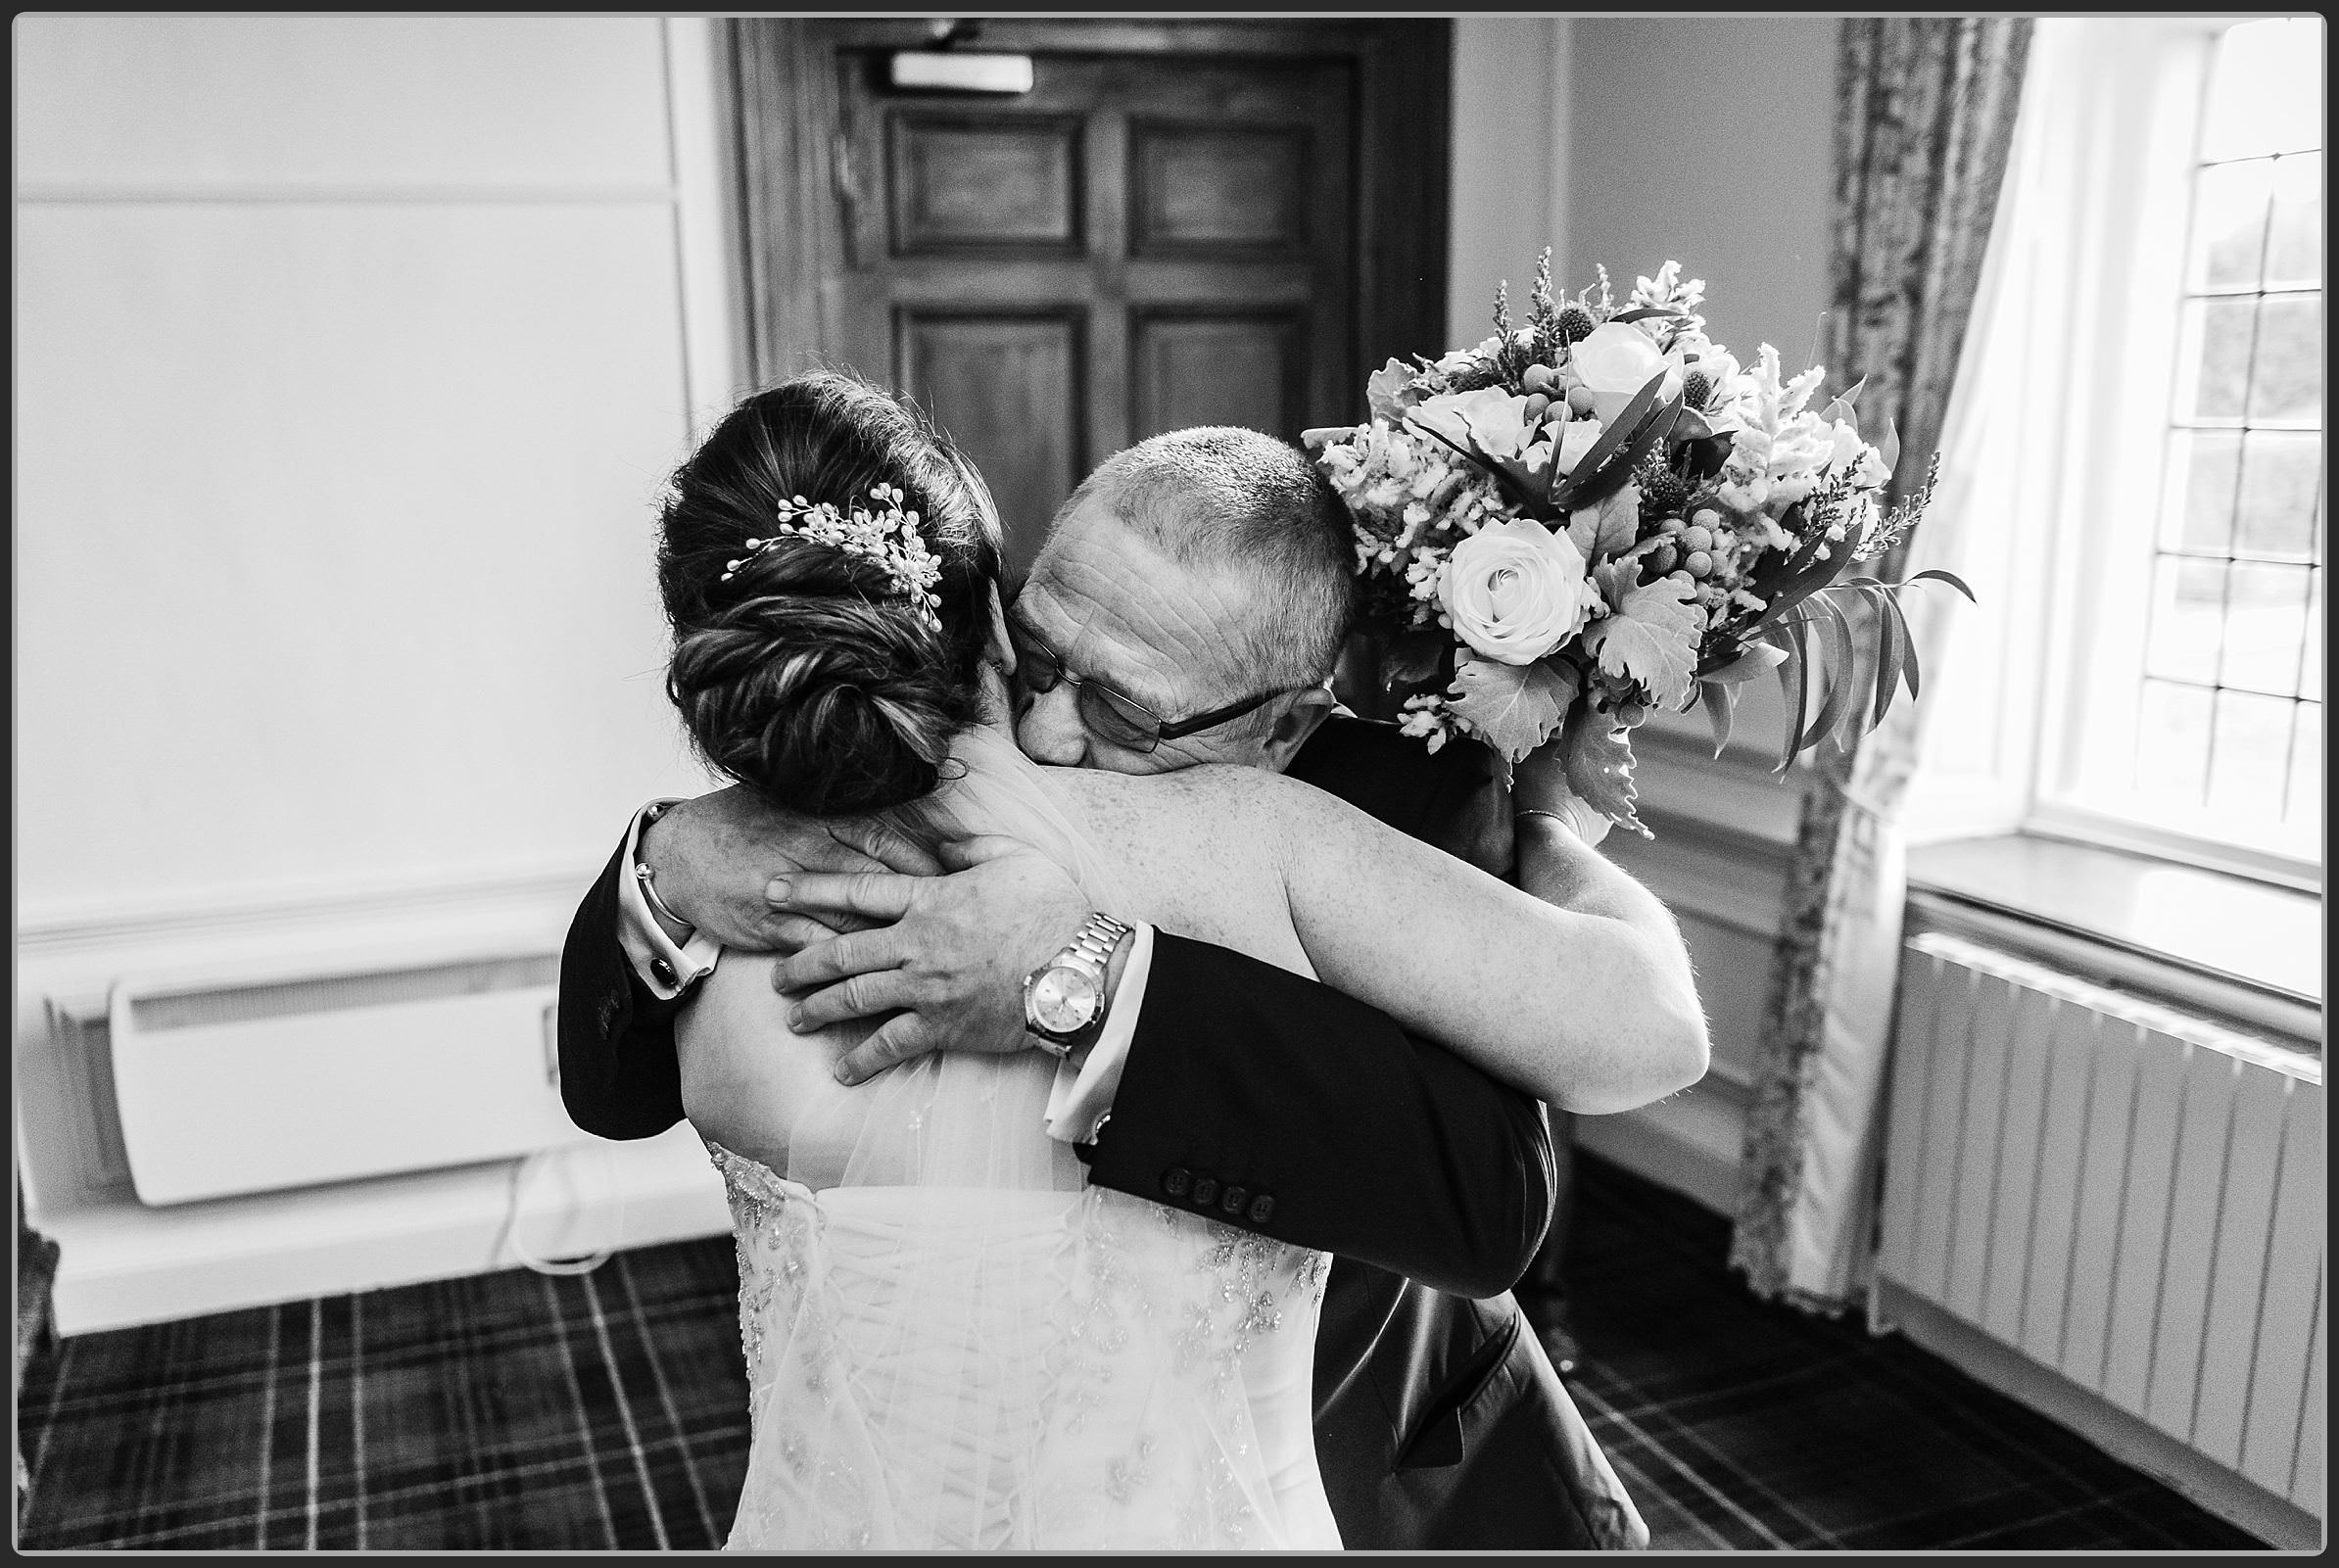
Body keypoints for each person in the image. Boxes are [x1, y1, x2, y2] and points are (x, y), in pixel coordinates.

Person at [557, 376, 1707, 1548]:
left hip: (1370, 1439)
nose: (1050, 731)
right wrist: (661, 858)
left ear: (1280, 728)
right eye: (1038, 657)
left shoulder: (1370, 803)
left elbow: (1552, 1122)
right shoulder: (733, 850)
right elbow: (614, 1080)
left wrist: (1535, 839)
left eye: (1122, 709)